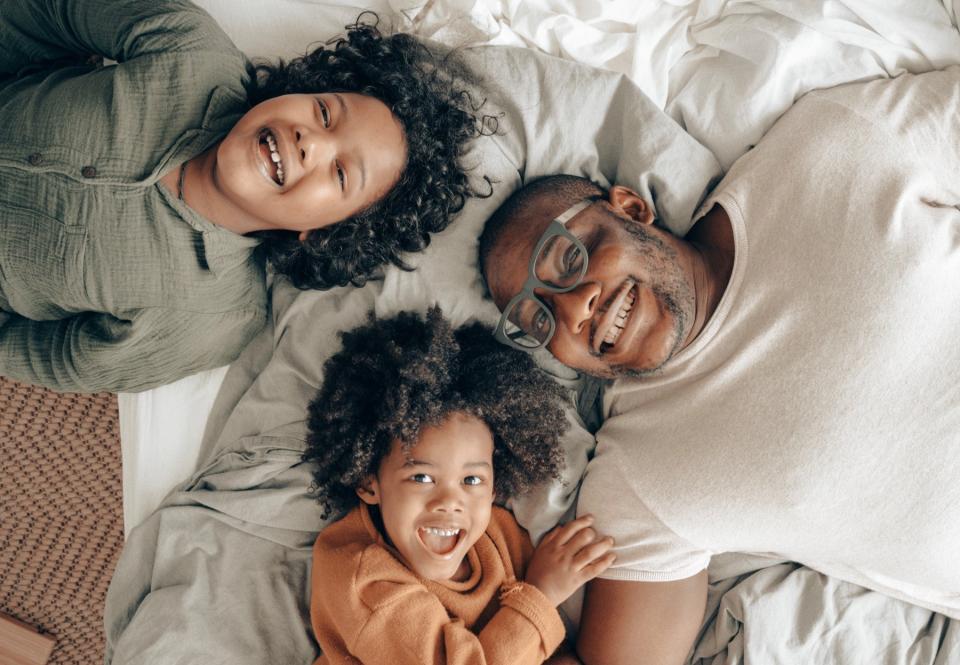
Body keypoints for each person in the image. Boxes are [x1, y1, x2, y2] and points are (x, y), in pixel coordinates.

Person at [479, 67, 960, 664]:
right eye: (540, 321)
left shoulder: (830, 149)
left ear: (631, 208)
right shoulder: (640, 478)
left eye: (569, 257)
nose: (577, 310)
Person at [0, 0, 480, 393]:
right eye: (325, 112)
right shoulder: (187, 48)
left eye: (339, 173)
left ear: (325, 232)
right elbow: (46, 12)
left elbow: (57, 357)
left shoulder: (211, 321)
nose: (310, 140)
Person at [302, 307, 616, 664]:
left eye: (472, 480)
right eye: (421, 477)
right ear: (368, 481)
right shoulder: (364, 582)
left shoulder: (498, 535)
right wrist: (541, 595)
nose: (450, 500)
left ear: (496, 486)